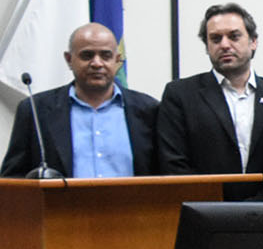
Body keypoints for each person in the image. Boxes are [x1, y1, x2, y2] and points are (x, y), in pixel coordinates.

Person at [156, 2, 263, 197]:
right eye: (215, 39)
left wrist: (257, 206)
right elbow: (173, 164)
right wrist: (215, 206)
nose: (224, 45)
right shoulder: (180, 95)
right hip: (203, 213)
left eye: (234, 36)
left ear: (253, 41)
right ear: (207, 46)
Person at [2, 22, 159, 177]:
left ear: (117, 60)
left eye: (106, 56)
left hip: (133, 203)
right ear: (69, 59)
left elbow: (163, 174)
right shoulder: (36, 110)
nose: (97, 63)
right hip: (60, 203)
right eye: (87, 55)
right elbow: (13, 178)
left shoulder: (148, 110)